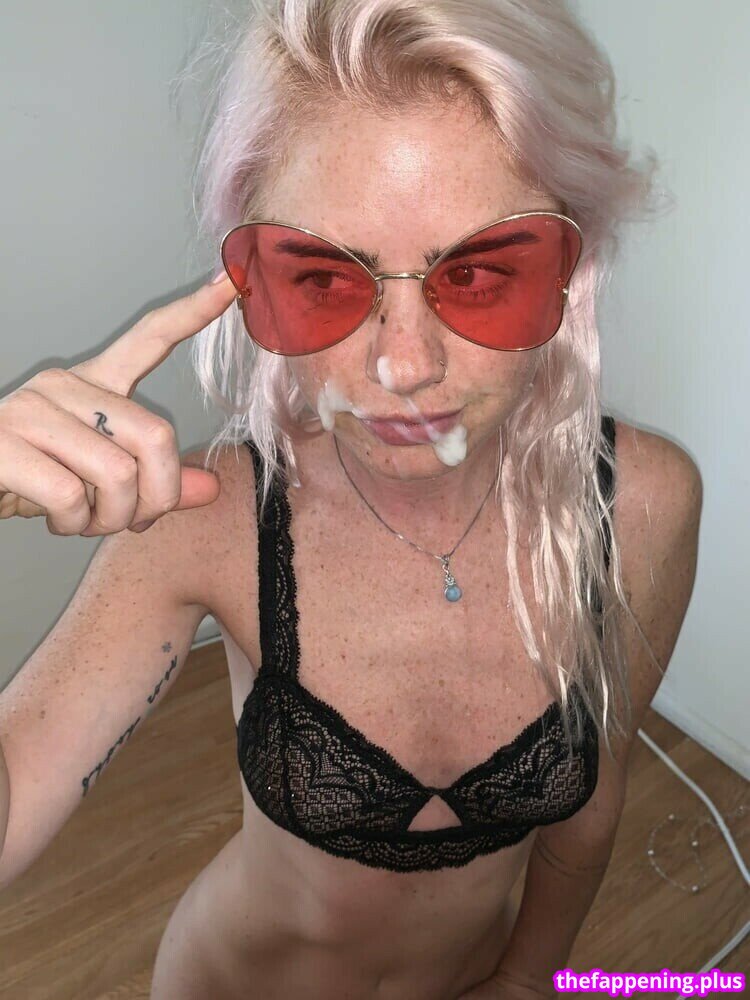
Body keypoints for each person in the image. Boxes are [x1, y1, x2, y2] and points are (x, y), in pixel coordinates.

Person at [0, 1, 703, 998]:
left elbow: (592, 805)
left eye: (480, 271)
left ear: (569, 266)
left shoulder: (643, 508)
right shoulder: (203, 519)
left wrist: (524, 979)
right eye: (328, 279)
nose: (404, 366)